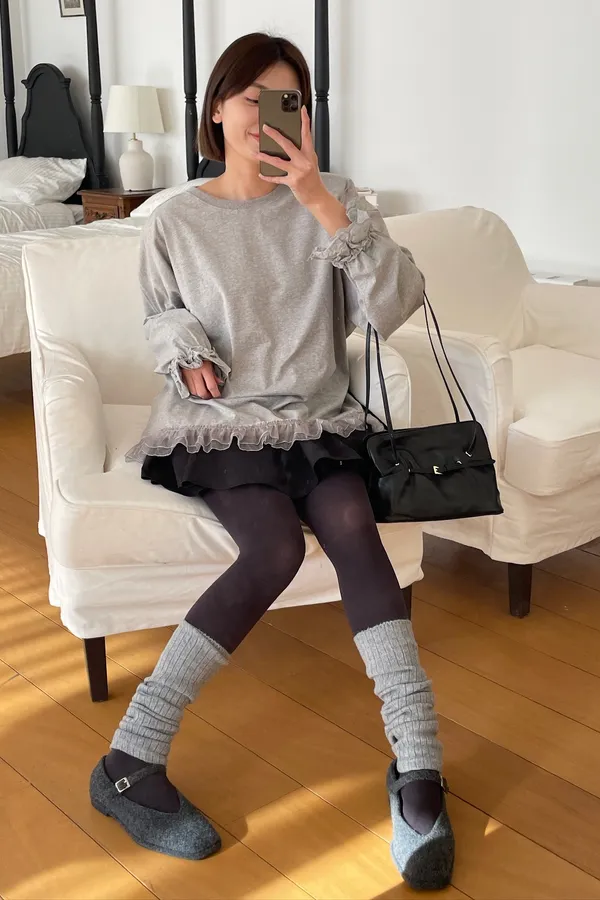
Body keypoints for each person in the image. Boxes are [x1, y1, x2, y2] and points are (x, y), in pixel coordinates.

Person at [89, 31, 454, 891]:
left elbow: (397, 304)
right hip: (219, 425)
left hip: (316, 418)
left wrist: (322, 203)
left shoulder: (335, 200)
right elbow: (159, 314)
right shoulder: (174, 218)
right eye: (249, 97)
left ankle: (419, 767)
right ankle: (130, 757)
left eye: (284, 100)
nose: (264, 115)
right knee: (275, 548)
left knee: (353, 524)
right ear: (216, 109)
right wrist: (186, 348)